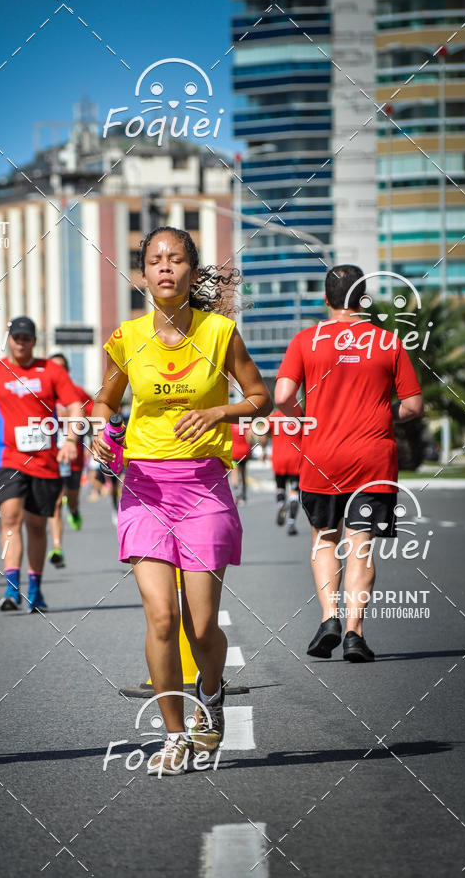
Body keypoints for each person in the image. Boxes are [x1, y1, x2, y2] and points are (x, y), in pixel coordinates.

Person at [92, 227, 271, 775]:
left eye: (175, 260)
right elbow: (105, 401)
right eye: (154, 260)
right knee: (162, 618)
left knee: (200, 625)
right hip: (145, 486)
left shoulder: (220, 333)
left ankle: (210, 696)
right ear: (142, 275)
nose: (165, 268)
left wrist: (220, 413)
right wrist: (103, 431)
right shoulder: (127, 338)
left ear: (193, 272)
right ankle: (173, 734)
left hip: (204, 487)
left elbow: (259, 397)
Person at [275, 264, 423, 663]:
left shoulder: (307, 340)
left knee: (325, 539)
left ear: (326, 300)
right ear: (364, 300)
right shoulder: (388, 342)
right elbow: (413, 405)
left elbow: (283, 393)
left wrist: (303, 414)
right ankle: (355, 633)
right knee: (361, 546)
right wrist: (381, 413)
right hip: (372, 459)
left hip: (322, 457)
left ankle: (329, 619)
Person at [0, 317, 82, 613]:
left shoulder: (51, 370)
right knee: (10, 518)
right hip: (8, 458)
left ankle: (35, 589)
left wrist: (71, 439)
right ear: (9, 339)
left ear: (34, 341)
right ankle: (11, 588)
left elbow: (74, 404)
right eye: (17, 336)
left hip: (45, 461)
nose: (21, 342)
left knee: (36, 526)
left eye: (27, 338)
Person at [46, 352, 92, 568]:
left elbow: (94, 415)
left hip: (73, 458)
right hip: (49, 457)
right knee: (54, 502)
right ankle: (57, 548)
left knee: (70, 499)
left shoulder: (78, 392)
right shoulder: (41, 393)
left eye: (61, 367)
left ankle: (74, 510)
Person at [269, 409, 301, 535]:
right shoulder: (299, 416)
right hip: (295, 460)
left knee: (280, 488)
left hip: (278, 459)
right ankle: (291, 523)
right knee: (294, 493)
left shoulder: (275, 416)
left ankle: (281, 504)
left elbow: (260, 433)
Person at [229, 422, 252, 504]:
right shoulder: (246, 424)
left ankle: (236, 493)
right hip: (244, 452)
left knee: (234, 473)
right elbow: (249, 437)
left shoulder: (230, 424)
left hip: (234, 453)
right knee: (243, 473)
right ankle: (244, 494)